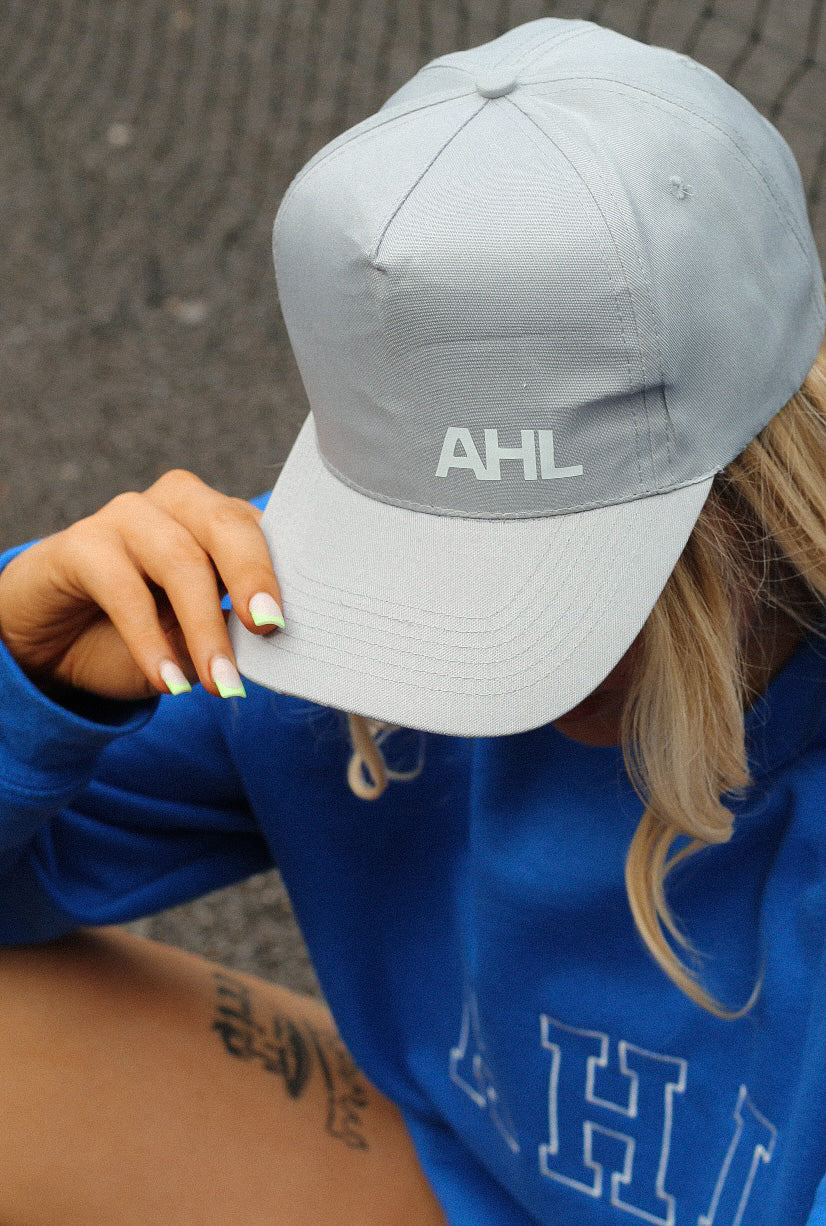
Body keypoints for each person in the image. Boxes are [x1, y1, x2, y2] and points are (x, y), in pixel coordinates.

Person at [0, 15, 825, 1226]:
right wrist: (33, 687)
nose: (456, 650)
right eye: (432, 552)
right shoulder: (301, 611)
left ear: (746, 479)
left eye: (545, 561)